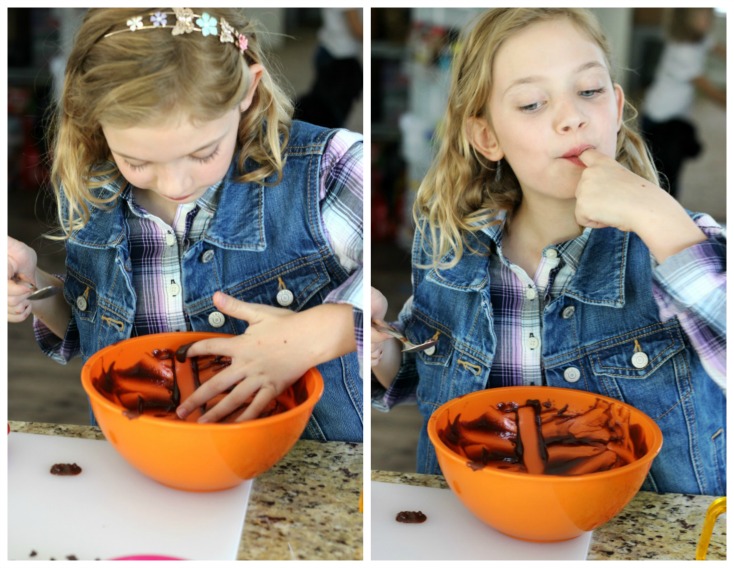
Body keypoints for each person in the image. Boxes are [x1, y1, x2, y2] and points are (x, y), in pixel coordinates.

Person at [371, 8, 725, 495]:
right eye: (533, 103)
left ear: (617, 109)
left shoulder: (683, 245)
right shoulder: (451, 250)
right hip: (480, 522)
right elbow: (420, 369)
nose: (571, 117)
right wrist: (378, 346)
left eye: (589, 91)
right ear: (487, 137)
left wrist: (660, 219)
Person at [7, 8, 363, 443]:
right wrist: (35, 287)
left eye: (202, 153)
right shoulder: (94, 190)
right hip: (150, 461)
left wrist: (308, 338)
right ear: (92, 121)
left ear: (247, 91)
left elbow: (424, 308)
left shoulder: (329, 170)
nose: (175, 184)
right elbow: (91, 330)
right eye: (137, 161)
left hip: (306, 470)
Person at [640, 7, 726, 199]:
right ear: (684, 19)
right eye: (702, 16)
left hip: (674, 115)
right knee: (662, 174)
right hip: (660, 118)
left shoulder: (699, 38)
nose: (709, 20)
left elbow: (721, 50)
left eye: (709, 15)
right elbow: (709, 90)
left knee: (670, 171)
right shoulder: (683, 50)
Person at [294, 8, 363, 128]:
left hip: (332, 51)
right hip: (339, 58)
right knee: (329, 116)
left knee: (322, 110)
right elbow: (357, 30)